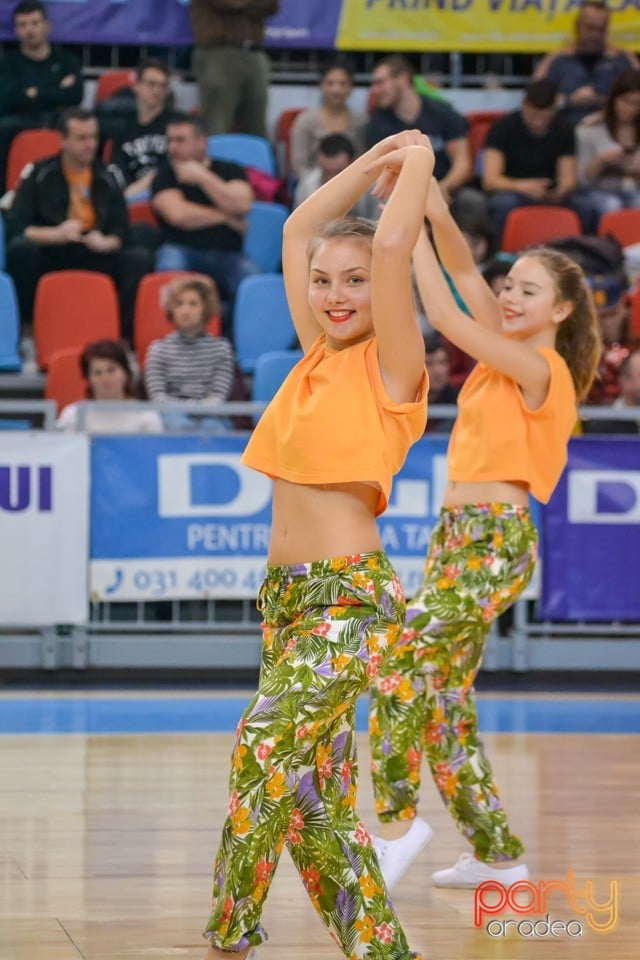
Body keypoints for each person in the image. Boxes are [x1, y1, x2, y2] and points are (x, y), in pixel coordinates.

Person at [200, 130, 434, 960]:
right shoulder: (313, 358)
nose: (336, 296)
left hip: (349, 600)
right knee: (308, 794)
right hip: (290, 605)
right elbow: (298, 231)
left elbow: (397, 241)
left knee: (262, 745)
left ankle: (230, 930)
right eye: (324, 284)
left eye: (356, 283)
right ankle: (378, 945)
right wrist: (365, 169)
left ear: (385, 292)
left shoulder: (392, 368)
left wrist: (418, 167)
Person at [368, 172, 601, 892]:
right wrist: (427, 194)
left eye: (528, 290)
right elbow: (465, 270)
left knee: (398, 664)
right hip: (455, 537)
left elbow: (444, 310)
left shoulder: (539, 366)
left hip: (495, 540)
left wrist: (401, 233)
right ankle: (498, 855)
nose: (509, 295)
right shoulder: (506, 350)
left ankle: (396, 827)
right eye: (511, 284)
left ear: (560, 309)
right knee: (442, 702)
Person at [4, 107, 154, 338]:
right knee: (21, 251)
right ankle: (27, 327)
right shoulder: (39, 173)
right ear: (63, 140)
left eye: (93, 137)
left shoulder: (108, 175)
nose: (90, 144)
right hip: (54, 249)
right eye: (82, 138)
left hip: (95, 248)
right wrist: (56, 234)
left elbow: (121, 227)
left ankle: (123, 335)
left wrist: (109, 241)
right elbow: (16, 226)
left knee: (138, 258)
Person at [151, 113, 258, 337]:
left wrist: (202, 177)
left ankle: (237, 347)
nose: (172, 147)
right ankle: (171, 345)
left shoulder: (230, 170)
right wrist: (228, 217)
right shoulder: (165, 174)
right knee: (169, 270)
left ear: (202, 142)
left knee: (252, 280)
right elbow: (179, 215)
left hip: (227, 254)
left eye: (181, 140)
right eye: (170, 140)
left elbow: (242, 204)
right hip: (181, 249)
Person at [366, 54, 485, 219]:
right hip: (402, 190)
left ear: (403, 78)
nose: (375, 90)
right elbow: (379, 170)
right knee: (378, 197)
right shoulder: (377, 123)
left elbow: (463, 164)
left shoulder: (443, 113)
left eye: (381, 82)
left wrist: (442, 187)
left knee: (472, 200)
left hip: (445, 187)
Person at [482, 78, 596, 239]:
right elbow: (490, 180)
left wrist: (560, 191)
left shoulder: (564, 129)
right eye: (533, 115)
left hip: (550, 193)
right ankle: (499, 253)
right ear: (523, 104)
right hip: (514, 190)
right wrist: (522, 186)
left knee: (586, 206)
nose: (538, 122)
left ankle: (584, 251)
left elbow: (568, 178)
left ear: (554, 108)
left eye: (545, 116)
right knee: (503, 203)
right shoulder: (502, 128)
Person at [0, 1, 83, 190]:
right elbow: (7, 100)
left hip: (59, 120)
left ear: (47, 25)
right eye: (23, 24)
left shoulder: (67, 61)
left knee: (83, 125)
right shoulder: (8, 65)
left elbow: (75, 95)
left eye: (35, 23)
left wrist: (34, 93)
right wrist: (56, 90)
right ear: (16, 30)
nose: (29, 30)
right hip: (20, 122)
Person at [144, 275, 236, 431]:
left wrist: (195, 409)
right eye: (179, 304)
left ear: (205, 308)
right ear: (171, 309)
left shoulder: (222, 349)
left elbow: (217, 398)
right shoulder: (158, 350)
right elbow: (158, 398)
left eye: (193, 304)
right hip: (171, 416)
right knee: (178, 425)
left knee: (214, 428)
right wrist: (190, 408)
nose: (185, 310)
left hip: (210, 416)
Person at [534, 0, 640, 127]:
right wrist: (571, 100)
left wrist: (606, 110)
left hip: (610, 134)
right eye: (590, 28)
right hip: (566, 133)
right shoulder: (557, 60)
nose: (595, 35)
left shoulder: (623, 60)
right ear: (577, 25)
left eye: (601, 29)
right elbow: (536, 102)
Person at [189, 0, 280, 137]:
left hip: (255, 52)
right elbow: (229, 3)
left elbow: (272, 5)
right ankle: (213, 158)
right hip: (218, 53)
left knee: (257, 130)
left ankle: (254, 158)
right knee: (216, 126)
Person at [57, 338, 163, 433]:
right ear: (88, 379)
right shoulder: (73, 416)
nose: (105, 378)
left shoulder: (147, 416)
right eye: (97, 373)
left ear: (126, 373)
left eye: (111, 370)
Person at [575, 69, 640, 223]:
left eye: (637, 103)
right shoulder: (590, 127)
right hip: (598, 189)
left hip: (634, 188)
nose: (630, 108)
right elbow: (581, 180)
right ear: (614, 99)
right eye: (625, 101)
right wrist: (601, 160)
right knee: (612, 206)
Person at [109, 58, 177, 201]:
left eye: (162, 86)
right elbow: (117, 170)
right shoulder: (123, 128)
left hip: (168, 195)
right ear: (136, 85)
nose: (157, 91)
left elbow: (177, 167)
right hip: (131, 198)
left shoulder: (177, 124)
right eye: (151, 84)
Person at [289, 58, 366, 181]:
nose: (336, 89)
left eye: (342, 83)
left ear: (351, 87)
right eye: (330, 83)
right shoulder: (305, 121)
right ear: (321, 86)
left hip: (352, 183)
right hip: (313, 185)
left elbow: (364, 160)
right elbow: (299, 166)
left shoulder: (361, 121)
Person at [293, 132, 379, 219]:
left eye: (338, 173)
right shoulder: (307, 185)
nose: (332, 180)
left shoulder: (372, 186)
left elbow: (378, 223)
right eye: (326, 172)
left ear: (353, 163)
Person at [585, 274, 634, 404]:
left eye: (612, 314)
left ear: (624, 309)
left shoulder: (634, 348)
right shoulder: (582, 350)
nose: (607, 323)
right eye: (601, 317)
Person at [424, 337, 459, 433]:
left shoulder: (461, 399)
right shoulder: (407, 399)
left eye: (442, 362)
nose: (437, 370)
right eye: (428, 363)